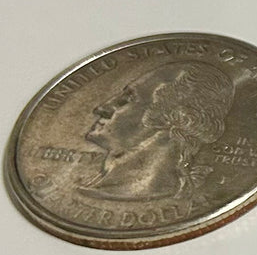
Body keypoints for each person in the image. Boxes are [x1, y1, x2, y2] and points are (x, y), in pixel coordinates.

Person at [78, 60, 235, 201]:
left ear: (180, 117)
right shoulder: (92, 186)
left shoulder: (143, 191)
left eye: (128, 99)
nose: (101, 108)